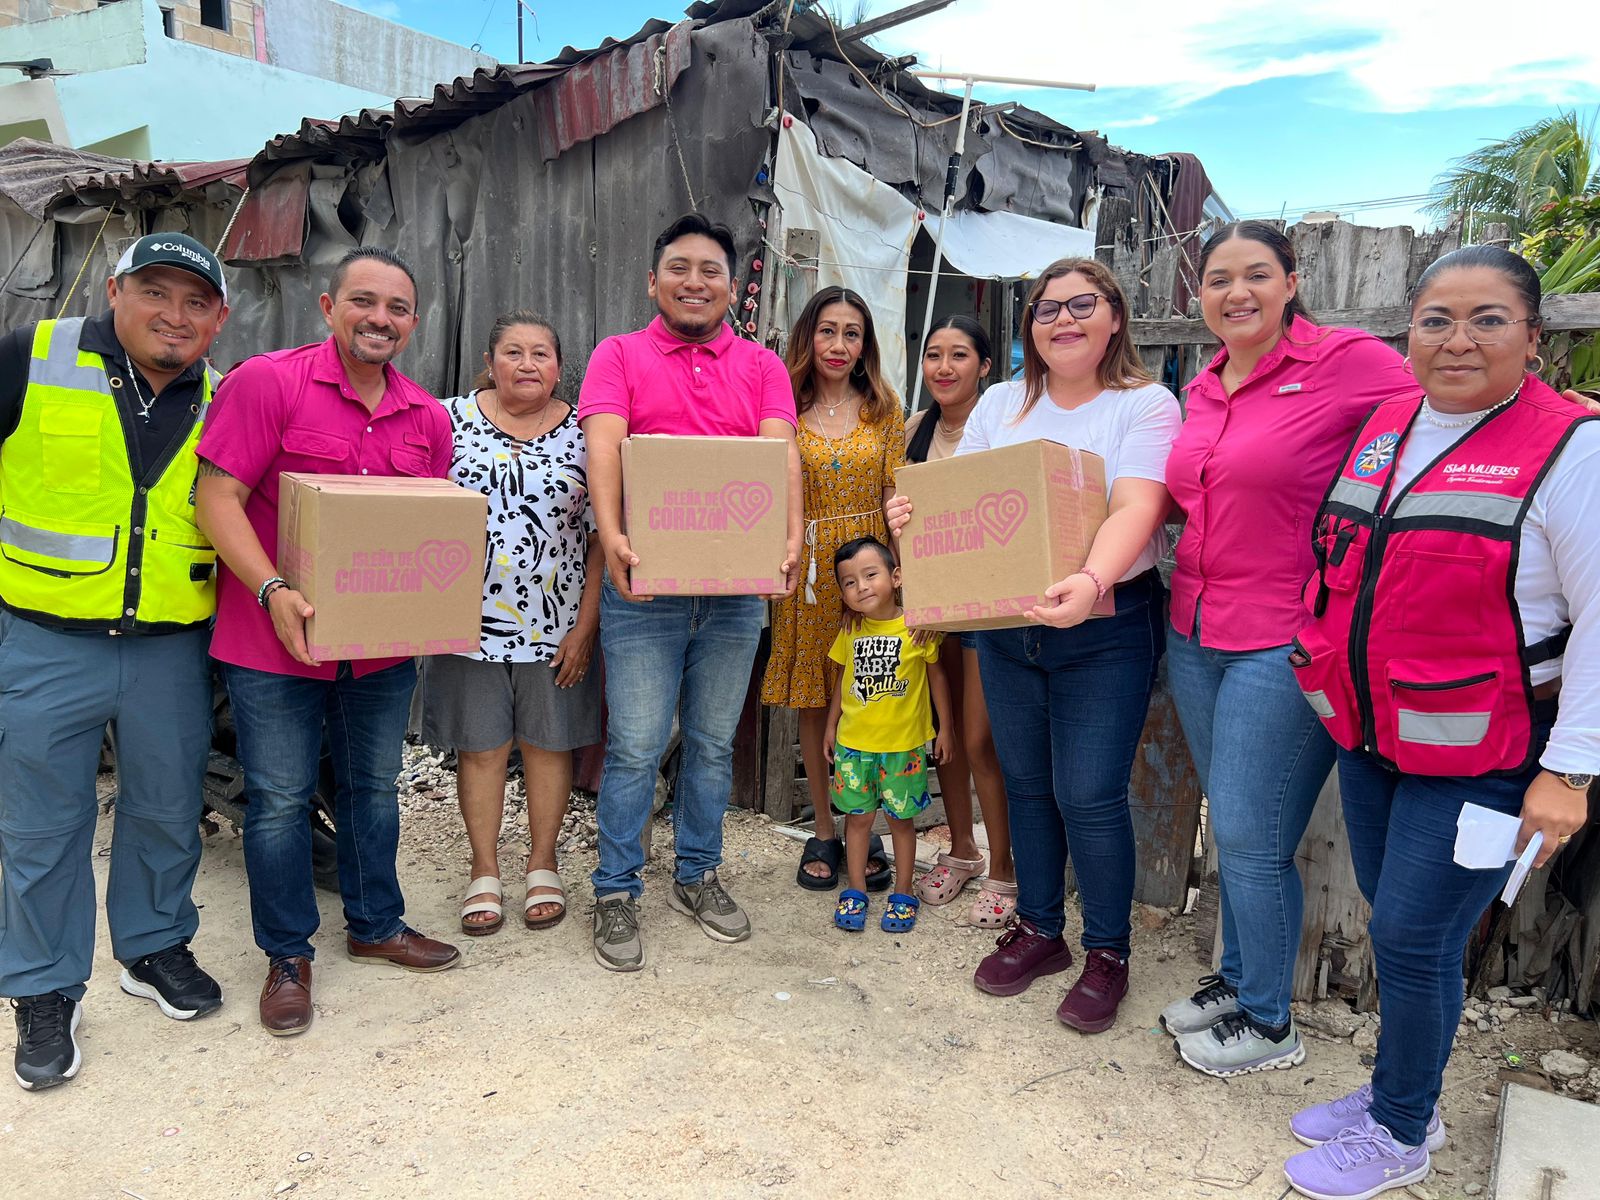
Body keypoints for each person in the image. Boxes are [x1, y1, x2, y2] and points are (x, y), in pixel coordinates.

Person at [1279, 246, 1597, 1199]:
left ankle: (1403, 1129)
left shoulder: (1573, 448)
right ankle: (1396, 1092)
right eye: (1436, 319)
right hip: (1376, 740)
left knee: (1414, 940)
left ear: (1533, 338)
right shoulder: (1388, 423)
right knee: (1399, 925)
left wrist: (1570, 771)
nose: (1458, 340)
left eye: (1488, 319)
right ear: (1408, 332)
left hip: (1488, 756)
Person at [888, 257, 1181, 1033]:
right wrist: (914, 519)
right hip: (1010, 621)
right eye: (1048, 309)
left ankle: (1108, 954)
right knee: (1025, 783)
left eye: (1083, 305)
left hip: (1107, 623)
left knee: (1088, 793)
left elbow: (1137, 506)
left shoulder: (1144, 406)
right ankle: (1043, 931)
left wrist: (1089, 580)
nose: (1064, 320)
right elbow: (966, 501)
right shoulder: (1001, 405)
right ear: (1030, 327)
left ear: (1114, 317)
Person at [1159, 221, 1416, 1077]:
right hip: (1194, 629)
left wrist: (1561, 420)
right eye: (1218, 278)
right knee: (1237, 832)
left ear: (1292, 280)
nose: (1236, 293)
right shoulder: (1203, 385)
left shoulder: (1348, 363)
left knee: (1252, 832)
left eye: (1256, 275)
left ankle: (1272, 1025)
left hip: (1289, 639)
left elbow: (1449, 414)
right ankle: (1240, 981)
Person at [195, 246, 461, 1038]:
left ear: (414, 323)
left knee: (373, 791)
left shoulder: (426, 417)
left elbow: (425, 537)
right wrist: (272, 589)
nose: (380, 319)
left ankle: (376, 924)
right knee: (278, 801)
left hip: (376, 652)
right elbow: (217, 498)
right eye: (364, 302)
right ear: (328, 306)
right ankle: (286, 955)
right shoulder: (268, 383)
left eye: (398, 308)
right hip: (272, 642)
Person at [0, 234, 229, 1090]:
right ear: (115, 290)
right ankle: (44, 986)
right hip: (44, 640)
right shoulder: (33, 356)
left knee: (168, 809)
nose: (175, 315)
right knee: (40, 825)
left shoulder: (225, 396)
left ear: (218, 319)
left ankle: (154, 945)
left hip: (170, 647)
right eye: (157, 293)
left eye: (195, 302)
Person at [578, 213, 801, 972]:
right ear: (653, 281)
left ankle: (698, 875)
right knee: (638, 745)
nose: (695, 282)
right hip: (648, 584)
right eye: (680, 268)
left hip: (735, 591)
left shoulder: (764, 366)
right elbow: (604, 445)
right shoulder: (619, 355)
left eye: (711, 270)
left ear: (732, 287)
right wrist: (611, 536)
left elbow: (780, 461)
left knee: (709, 745)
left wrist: (792, 533)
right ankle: (615, 889)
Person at [419, 310, 602, 935]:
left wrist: (585, 625)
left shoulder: (586, 430)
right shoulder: (446, 419)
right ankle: (484, 869)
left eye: (541, 354)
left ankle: (543, 863)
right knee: (481, 747)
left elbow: (602, 534)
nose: (528, 365)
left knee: (550, 746)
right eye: (514, 353)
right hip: (464, 621)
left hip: (556, 620)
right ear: (489, 361)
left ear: (559, 366)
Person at [758, 286, 902, 894]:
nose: (839, 345)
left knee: (869, 701)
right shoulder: (783, 405)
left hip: (870, 579)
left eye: (852, 333)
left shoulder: (885, 409)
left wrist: (904, 580)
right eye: (827, 331)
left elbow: (898, 497)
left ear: (865, 344)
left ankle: (862, 827)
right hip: (810, 578)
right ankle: (823, 829)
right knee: (818, 703)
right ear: (807, 337)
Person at [901, 315, 1017, 928]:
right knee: (942, 734)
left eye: (960, 356)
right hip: (931, 599)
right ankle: (963, 851)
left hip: (988, 602)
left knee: (978, 738)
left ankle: (1003, 866)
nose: (944, 368)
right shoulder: (916, 429)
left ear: (985, 366)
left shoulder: (1000, 423)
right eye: (934, 355)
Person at [823, 537, 951, 932]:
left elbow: (937, 677)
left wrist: (945, 728)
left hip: (903, 750)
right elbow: (842, 679)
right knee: (858, 820)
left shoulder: (918, 628)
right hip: (853, 748)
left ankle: (903, 892)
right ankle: (856, 889)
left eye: (870, 575)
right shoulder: (850, 630)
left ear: (896, 577)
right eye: (849, 582)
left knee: (901, 823)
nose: (860, 587)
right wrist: (830, 727)